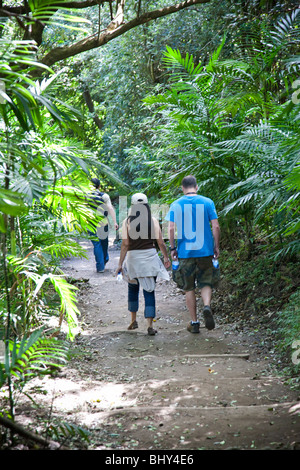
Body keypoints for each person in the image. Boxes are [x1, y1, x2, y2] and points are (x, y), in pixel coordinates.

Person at [166, 175, 220, 333]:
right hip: (205, 251)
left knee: (189, 288)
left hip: (185, 252)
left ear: (182, 188)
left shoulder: (176, 204)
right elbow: (215, 226)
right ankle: (207, 306)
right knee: (205, 282)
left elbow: (170, 229)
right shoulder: (207, 202)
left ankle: (194, 323)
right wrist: (216, 246)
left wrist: (172, 248)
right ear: (197, 187)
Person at [116, 193, 171, 336]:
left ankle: (133, 320)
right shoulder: (152, 220)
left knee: (133, 289)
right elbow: (160, 242)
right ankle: (149, 325)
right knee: (149, 291)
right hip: (149, 259)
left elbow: (125, 244)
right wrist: (166, 257)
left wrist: (120, 264)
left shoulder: (126, 222)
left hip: (133, 260)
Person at [87, 177, 118, 273]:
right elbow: (110, 208)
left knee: (96, 243)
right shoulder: (104, 196)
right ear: (99, 186)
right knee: (104, 242)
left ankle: (100, 267)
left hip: (90, 223)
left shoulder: (85, 196)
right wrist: (114, 222)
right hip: (103, 222)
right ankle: (104, 259)